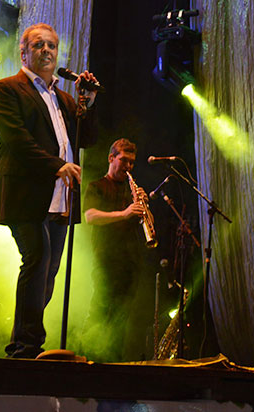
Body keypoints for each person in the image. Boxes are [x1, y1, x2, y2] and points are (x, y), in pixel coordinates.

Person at [0, 22, 98, 358]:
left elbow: (87, 139)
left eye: (51, 45)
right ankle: (27, 345)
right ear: (24, 53)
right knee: (37, 259)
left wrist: (88, 103)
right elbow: (16, 139)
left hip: (60, 197)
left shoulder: (62, 98)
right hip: (26, 193)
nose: (47, 51)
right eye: (39, 45)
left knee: (49, 270)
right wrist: (57, 166)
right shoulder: (6, 89)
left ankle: (21, 339)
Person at [82, 138, 147, 360]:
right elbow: (90, 216)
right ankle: (86, 357)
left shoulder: (132, 191)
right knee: (100, 311)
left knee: (122, 318)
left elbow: (146, 224)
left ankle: (114, 362)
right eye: (124, 160)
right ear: (111, 158)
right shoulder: (97, 186)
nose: (128, 166)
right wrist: (125, 213)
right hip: (106, 259)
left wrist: (144, 207)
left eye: (132, 162)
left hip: (130, 262)